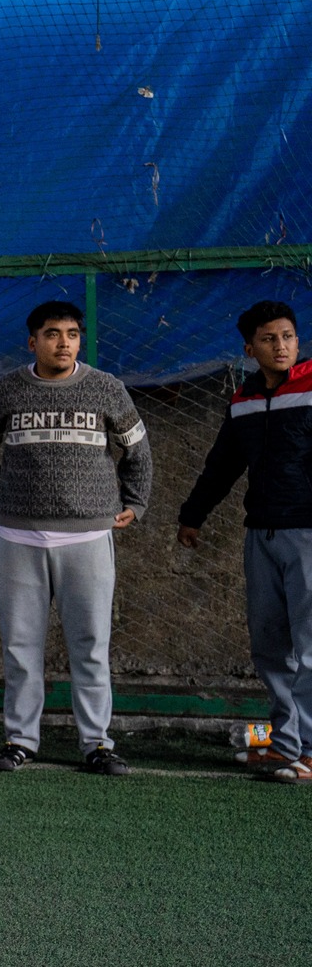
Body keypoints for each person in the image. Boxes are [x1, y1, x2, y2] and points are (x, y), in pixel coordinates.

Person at [0, 299, 152, 775]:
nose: (63, 343)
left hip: (86, 537)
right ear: (33, 342)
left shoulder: (106, 388)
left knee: (90, 645)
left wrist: (135, 502)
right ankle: (20, 740)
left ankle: (97, 743)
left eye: (72, 334)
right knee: (20, 647)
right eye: (52, 334)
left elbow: (138, 452)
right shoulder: (6, 390)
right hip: (19, 537)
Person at [178, 300, 312, 782]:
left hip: (308, 533)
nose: (281, 346)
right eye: (269, 339)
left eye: (288, 336)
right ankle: (285, 746)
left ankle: (310, 750)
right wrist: (193, 515)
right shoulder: (244, 400)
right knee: (270, 646)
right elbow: (223, 464)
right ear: (250, 349)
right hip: (262, 535)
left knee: (311, 648)